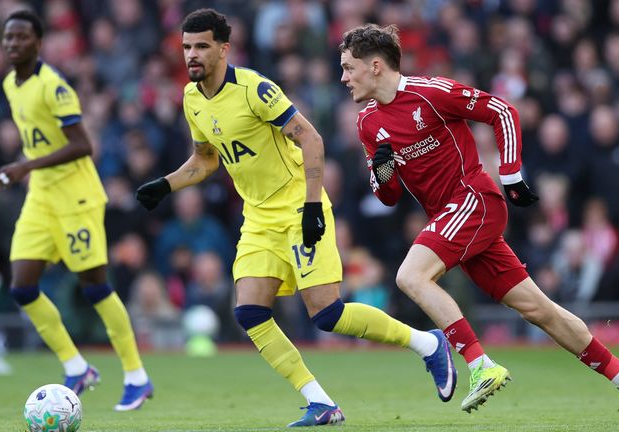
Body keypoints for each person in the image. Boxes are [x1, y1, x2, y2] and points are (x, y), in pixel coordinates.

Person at [135, 9, 455, 427]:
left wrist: (309, 206)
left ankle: (427, 343)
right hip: (259, 219)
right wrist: (167, 184)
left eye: (201, 46)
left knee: (327, 314)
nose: (192, 55)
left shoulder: (255, 90)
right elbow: (205, 159)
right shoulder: (192, 98)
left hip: (298, 207)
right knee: (249, 313)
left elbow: (311, 139)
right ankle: (321, 402)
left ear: (223, 49)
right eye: (187, 47)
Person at [338, 24, 619, 429]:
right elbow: (390, 197)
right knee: (539, 310)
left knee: (410, 276)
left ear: (375, 66)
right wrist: (382, 172)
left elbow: (502, 111)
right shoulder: (367, 124)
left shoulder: (430, 93)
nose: (344, 77)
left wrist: (511, 176)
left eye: (348, 67)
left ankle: (479, 364)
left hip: (474, 199)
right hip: (452, 218)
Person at [0, 10, 152, 411]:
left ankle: (137, 376)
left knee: (95, 286)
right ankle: (76, 366)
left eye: (21, 37)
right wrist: (30, 170)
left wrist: (25, 166)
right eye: (7, 38)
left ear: (38, 42)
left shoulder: (55, 88)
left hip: (77, 198)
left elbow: (83, 145)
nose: (12, 44)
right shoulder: (10, 84)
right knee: (22, 287)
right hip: (41, 198)